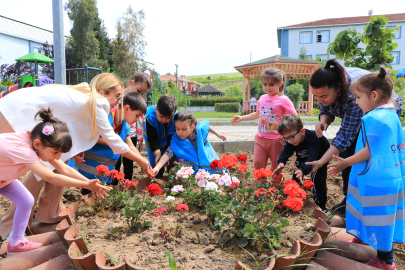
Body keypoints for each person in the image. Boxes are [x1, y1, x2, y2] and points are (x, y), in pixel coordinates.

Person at [0, 73, 152, 241]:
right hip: (18, 113)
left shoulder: (90, 99)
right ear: (103, 92)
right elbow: (114, 141)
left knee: (55, 164)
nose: (119, 101)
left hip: (24, 111)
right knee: (36, 170)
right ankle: (10, 228)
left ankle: (46, 218)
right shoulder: (98, 104)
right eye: (117, 96)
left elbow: (72, 126)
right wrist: (141, 160)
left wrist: (75, 150)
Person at [0, 108, 111, 255]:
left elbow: (64, 169)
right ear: (38, 144)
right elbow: (51, 177)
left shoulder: (38, 142)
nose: (58, 158)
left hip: (3, 179)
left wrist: (90, 183)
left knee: (26, 200)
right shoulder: (24, 150)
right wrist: (85, 185)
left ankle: (16, 244)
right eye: (56, 153)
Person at [328, 67, 404, 270]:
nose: (357, 102)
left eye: (358, 97)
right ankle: (363, 239)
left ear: (374, 95)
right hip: (390, 175)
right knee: (374, 213)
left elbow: (369, 150)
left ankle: (386, 261)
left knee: (378, 217)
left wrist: (345, 162)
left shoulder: (373, 118)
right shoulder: (391, 114)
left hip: (376, 178)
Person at [306, 59, 402, 214]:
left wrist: (322, 161)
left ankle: (367, 199)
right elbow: (327, 109)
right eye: (315, 96)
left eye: (323, 96)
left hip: (379, 110)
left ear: (338, 88)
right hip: (371, 112)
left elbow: (347, 138)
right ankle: (351, 199)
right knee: (348, 155)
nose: (319, 101)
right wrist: (324, 121)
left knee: (369, 158)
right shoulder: (326, 84)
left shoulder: (356, 98)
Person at [231, 68, 296, 185]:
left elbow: (293, 118)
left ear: (280, 84)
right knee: (257, 163)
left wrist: (287, 135)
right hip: (260, 139)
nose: (268, 87)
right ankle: (260, 187)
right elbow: (257, 114)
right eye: (265, 84)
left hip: (277, 141)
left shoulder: (284, 100)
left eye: (271, 84)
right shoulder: (262, 98)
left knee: (276, 166)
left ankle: (276, 187)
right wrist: (242, 118)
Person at [75, 92, 147, 187]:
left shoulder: (125, 124)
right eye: (137, 115)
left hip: (105, 172)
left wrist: (143, 161)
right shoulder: (106, 116)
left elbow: (130, 146)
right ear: (126, 108)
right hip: (88, 169)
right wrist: (113, 143)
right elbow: (92, 136)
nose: (137, 119)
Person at [274, 114, 330, 214]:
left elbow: (312, 158)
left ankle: (321, 205)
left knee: (317, 179)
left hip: (320, 157)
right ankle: (294, 200)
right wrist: (281, 163)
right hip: (303, 156)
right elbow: (286, 151)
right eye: (285, 138)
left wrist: (303, 170)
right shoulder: (291, 140)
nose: (289, 141)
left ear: (302, 131)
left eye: (291, 137)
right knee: (295, 176)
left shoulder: (314, 138)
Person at [152, 110, 226, 174]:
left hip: (211, 168)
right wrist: (157, 167)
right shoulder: (176, 140)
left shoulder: (199, 131)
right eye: (177, 129)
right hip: (192, 174)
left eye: (184, 129)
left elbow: (207, 127)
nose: (180, 132)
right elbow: (168, 153)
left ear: (192, 127)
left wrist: (218, 134)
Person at [144, 95, 178, 177]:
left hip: (169, 143)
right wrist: (158, 154)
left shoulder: (176, 119)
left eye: (168, 118)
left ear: (173, 114)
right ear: (156, 109)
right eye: (161, 117)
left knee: (173, 166)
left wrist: (166, 157)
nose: (164, 120)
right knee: (156, 167)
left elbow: (171, 141)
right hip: (152, 142)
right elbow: (152, 138)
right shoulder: (150, 116)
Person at [115, 115, 145, 180]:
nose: (137, 118)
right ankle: (115, 182)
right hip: (118, 135)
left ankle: (127, 182)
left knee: (129, 161)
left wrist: (140, 138)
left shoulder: (135, 114)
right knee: (116, 160)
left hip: (131, 135)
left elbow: (140, 121)